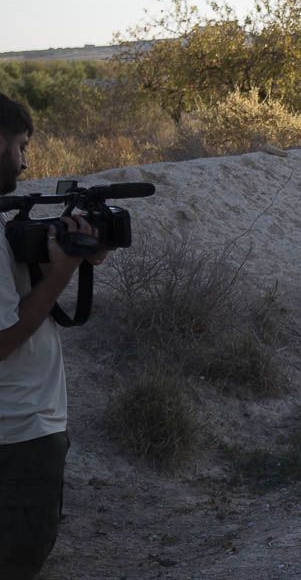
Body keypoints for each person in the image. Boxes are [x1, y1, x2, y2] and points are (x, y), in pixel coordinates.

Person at [0, 94, 105, 579]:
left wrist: (63, 254)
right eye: (20, 146)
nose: (24, 161)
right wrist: (63, 273)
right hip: (18, 434)